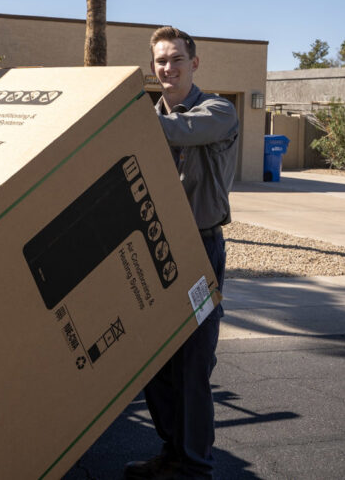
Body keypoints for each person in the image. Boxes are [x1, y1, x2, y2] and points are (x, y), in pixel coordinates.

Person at [126, 27, 239, 480]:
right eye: (160, 62)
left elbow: (179, 131)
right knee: (154, 362)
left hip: (199, 249)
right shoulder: (146, 114)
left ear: (195, 63)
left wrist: (117, 115)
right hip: (155, 248)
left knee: (193, 362)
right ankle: (172, 452)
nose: (167, 68)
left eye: (176, 59)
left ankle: (195, 467)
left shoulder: (218, 111)